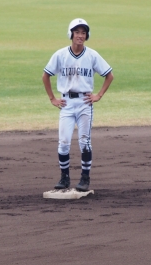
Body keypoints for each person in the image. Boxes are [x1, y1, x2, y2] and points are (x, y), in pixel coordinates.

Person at [42, 18, 114, 192]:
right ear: (71, 34)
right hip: (66, 103)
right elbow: (46, 75)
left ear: (87, 36)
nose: (80, 36)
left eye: (83, 33)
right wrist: (52, 98)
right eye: (77, 32)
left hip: (84, 103)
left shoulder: (92, 55)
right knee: (64, 142)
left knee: (84, 141)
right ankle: (64, 178)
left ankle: (85, 178)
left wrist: (99, 95)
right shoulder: (60, 55)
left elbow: (109, 75)